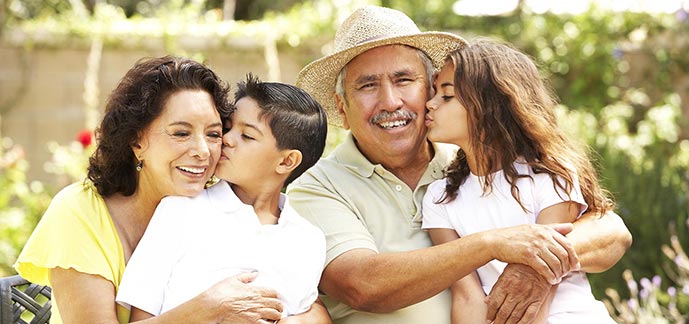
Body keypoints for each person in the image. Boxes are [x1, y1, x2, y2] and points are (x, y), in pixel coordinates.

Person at [287, 5, 633, 324]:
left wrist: (534, 264)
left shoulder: (473, 159)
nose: (390, 101)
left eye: (404, 80)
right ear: (342, 108)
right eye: (367, 86)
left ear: (429, 89)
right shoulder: (316, 187)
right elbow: (361, 284)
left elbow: (612, 232)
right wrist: (493, 245)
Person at [13, 56, 326, 324]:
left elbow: (310, 306)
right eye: (181, 132)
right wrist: (208, 308)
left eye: (215, 132)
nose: (204, 150)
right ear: (137, 141)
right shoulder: (80, 212)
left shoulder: (278, 225)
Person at [422, 38, 615, 323]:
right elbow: (466, 296)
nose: (430, 103)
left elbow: (540, 291)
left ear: (489, 107)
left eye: (447, 96)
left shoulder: (549, 177)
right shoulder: (440, 197)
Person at [115, 74, 329, 323]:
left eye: (247, 135)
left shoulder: (308, 240)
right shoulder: (179, 212)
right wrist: (209, 309)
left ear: (286, 161)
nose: (225, 139)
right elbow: (140, 320)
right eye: (228, 128)